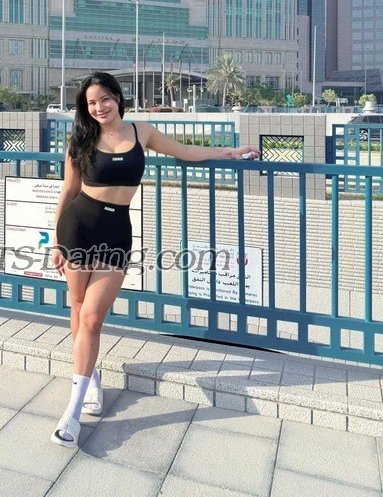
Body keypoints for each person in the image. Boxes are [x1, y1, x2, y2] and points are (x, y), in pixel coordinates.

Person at [49, 71, 259, 447]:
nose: (99, 107)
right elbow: (69, 189)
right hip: (77, 227)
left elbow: (185, 151)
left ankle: (71, 413)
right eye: (91, 103)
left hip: (116, 231)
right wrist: (55, 242)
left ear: (117, 97)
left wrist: (229, 152)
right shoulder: (81, 138)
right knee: (77, 306)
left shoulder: (141, 131)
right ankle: (88, 382)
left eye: (104, 99)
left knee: (92, 316)